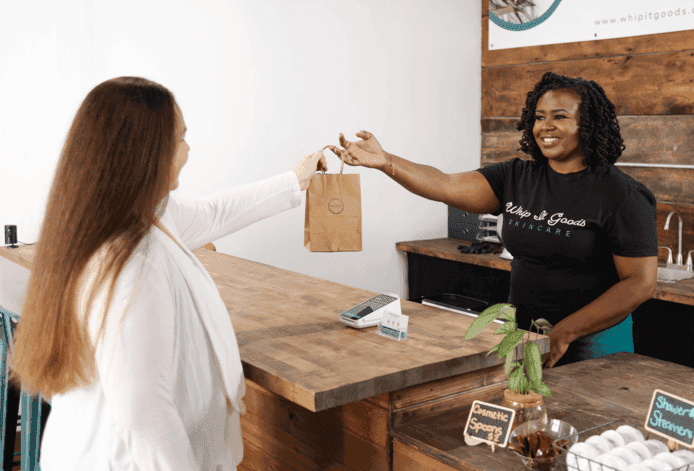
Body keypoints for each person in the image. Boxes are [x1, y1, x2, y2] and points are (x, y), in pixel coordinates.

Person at [9, 76, 327, 470]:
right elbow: (146, 415)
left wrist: (295, 180)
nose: (189, 151)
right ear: (147, 153)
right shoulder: (133, 259)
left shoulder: (123, 215)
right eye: (180, 140)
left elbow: (214, 213)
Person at [329, 72, 658, 368]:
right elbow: (445, 184)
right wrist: (386, 162)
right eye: (539, 117)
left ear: (588, 124)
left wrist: (566, 332)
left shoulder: (621, 194)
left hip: (592, 341)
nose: (546, 126)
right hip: (524, 333)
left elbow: (639, 282)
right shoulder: (517, 177)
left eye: (560, 116)